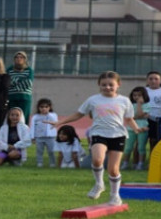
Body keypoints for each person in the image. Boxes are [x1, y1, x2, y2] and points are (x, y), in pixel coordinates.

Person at [50, 71, 147, 206]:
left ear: (118, 84)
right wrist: (61, 122)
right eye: (104, 85)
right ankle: (99, 184)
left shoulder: (124, 101)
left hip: (118, 135)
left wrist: (136, 129)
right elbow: (79, 114)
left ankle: (115, 195)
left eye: (111, 85)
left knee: (113, 169)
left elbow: (129, 119)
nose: (107, 87)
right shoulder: (93, 100)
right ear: (99, 85)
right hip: (98, 133)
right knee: (97, 159)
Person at [122, 86, 150, 170]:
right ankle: (125, 163)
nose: (136, 97)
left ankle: (140, 164)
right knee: (128, 147)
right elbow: (129, 117)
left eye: (139, 95)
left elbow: (141, 114)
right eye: (135, 95)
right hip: (131, 129)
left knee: (141, 147)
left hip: (143, 128)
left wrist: (139, 104)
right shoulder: (129, 105)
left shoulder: (147, 105)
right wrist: (136, 116)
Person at [30, 98, 58, 168]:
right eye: (41, 107)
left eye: (46, 107)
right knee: (39, 151)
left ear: (49, 107)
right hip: (39, 137)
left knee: (51, 151)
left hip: (50, 137)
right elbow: (32, 127)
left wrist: (48, 114)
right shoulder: (36, 117)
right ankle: (39, 163)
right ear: (38, 107)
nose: (44, 109)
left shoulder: (53, 115)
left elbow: (55, 121)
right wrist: (32, 137)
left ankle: (52, 163)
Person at [7, 51, 34, 120]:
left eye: (21, 57)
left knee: (24, 118)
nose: (19, 59)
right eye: (17, 57)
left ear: (25, 59)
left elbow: (28, 83)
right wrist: (21, 80)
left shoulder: (29, 70)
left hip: (24, 98)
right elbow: (8, 83)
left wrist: (15, 81)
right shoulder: (9, 70)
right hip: (12, 98)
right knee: (12, 118)